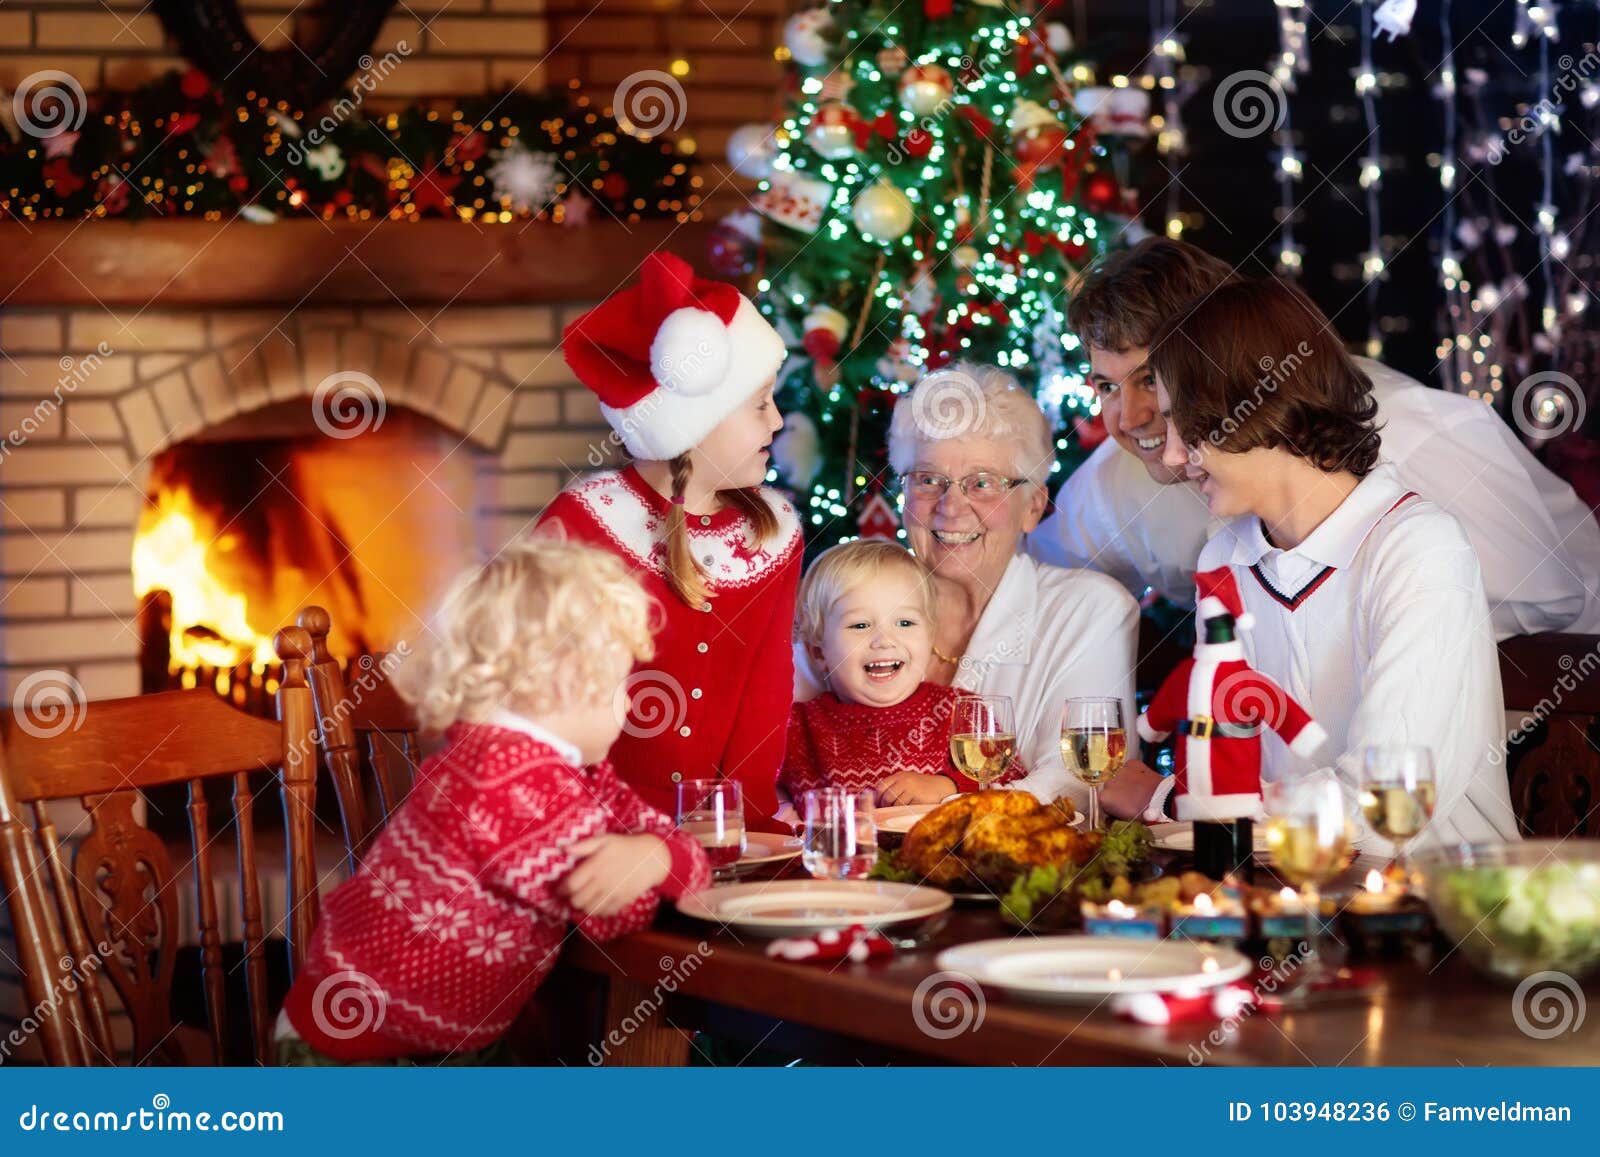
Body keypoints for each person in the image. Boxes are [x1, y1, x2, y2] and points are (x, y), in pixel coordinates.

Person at [1107, 278, 1519, 850]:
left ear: (1259, 404)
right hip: (1285, 896)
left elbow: (1383, 810)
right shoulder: (1224, 557)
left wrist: (1169, 798)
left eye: (1189, 424)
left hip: (1435, 909)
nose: (1175, 456)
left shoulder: (1418, 549)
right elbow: (1227, 755)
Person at [1030, 237, 1600, 640]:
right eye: (1107, 385)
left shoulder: (1415, 434)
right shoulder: (1118, 479)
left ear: (1227, 351)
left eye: (1152, 380)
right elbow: (1035, 587)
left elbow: (1552, 602)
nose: (1128, 417)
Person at [275, 539, 712, 1064]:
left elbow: (645, 831)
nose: (629, 702)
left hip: (440, 1040)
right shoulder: (504, 781)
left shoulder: (554, 767)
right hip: (357, 1054)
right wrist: (658, 857)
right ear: (569, 680)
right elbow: (615, 909)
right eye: (622, 681)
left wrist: (655, 854)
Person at [795, 362, 1139, 814]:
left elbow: (1077, 782)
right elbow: (779, 749)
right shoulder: (845, 596)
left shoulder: (1090, 610)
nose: (951, 507)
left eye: (982, 483)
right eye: (928, 480)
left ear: (1032, 507)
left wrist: (946, 802)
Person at [538, 251, 801, 830]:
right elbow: (546, 697)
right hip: (599, 837)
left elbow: (766, 690)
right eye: (760, 405)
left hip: (728, 833)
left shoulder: (774, 533)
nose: (778, 421)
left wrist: (746, 823)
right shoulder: (582, 525)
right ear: (692, 428)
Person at [782, 540, 1024, 806]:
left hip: (940, 847)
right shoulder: (797, 728)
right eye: (860, 625)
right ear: (819, 653)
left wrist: (948, 786)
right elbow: (752, 791)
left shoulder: (958, 712)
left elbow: (1011, 782)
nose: (884, 640)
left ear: (930, 638)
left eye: (905, 622)